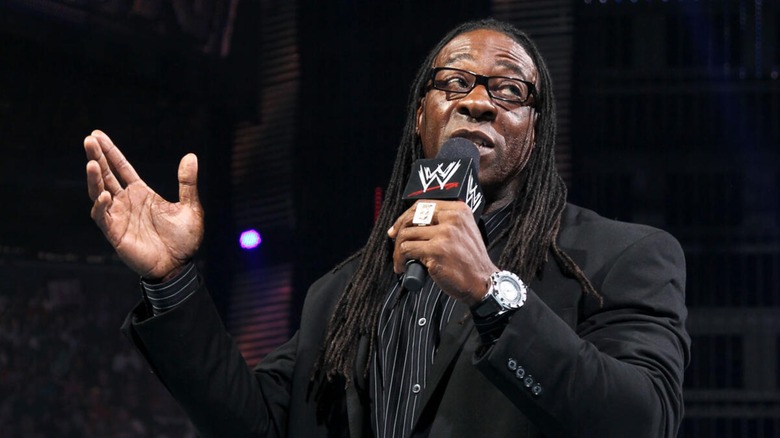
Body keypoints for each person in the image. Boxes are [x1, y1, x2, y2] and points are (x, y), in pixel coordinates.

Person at [84, 18, 690, 438]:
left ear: (535, 132)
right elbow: (257, 426)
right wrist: (173, 282)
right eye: (454, 82)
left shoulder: (618, 258)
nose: (479, 101)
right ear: (421, 117)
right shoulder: (340, 295)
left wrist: (492, 293)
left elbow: (641, 425)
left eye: (509, 90)